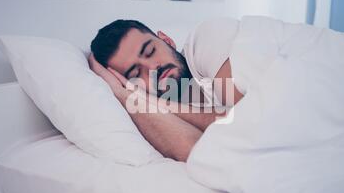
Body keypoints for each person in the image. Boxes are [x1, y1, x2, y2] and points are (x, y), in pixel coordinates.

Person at [89, 19, 244, 162]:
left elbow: (246, 125)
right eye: (136, 74)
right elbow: (203, 156)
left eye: (150, 51)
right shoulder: (153, 115)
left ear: (167, 40)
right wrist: (122, 94)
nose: (152, 68)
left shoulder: (205, 39)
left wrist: (149, 101)